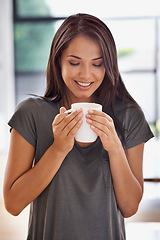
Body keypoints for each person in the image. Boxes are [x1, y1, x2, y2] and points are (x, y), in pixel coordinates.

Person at [3, 13, 153, 240]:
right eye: (74, 62)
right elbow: (13, 204)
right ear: (58, 60)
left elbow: (130, 207)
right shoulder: (31, 113)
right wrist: (58, 149)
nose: (86, 74)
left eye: (97, 64)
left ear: (109, 65)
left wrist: (114, 148)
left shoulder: (129, 115)